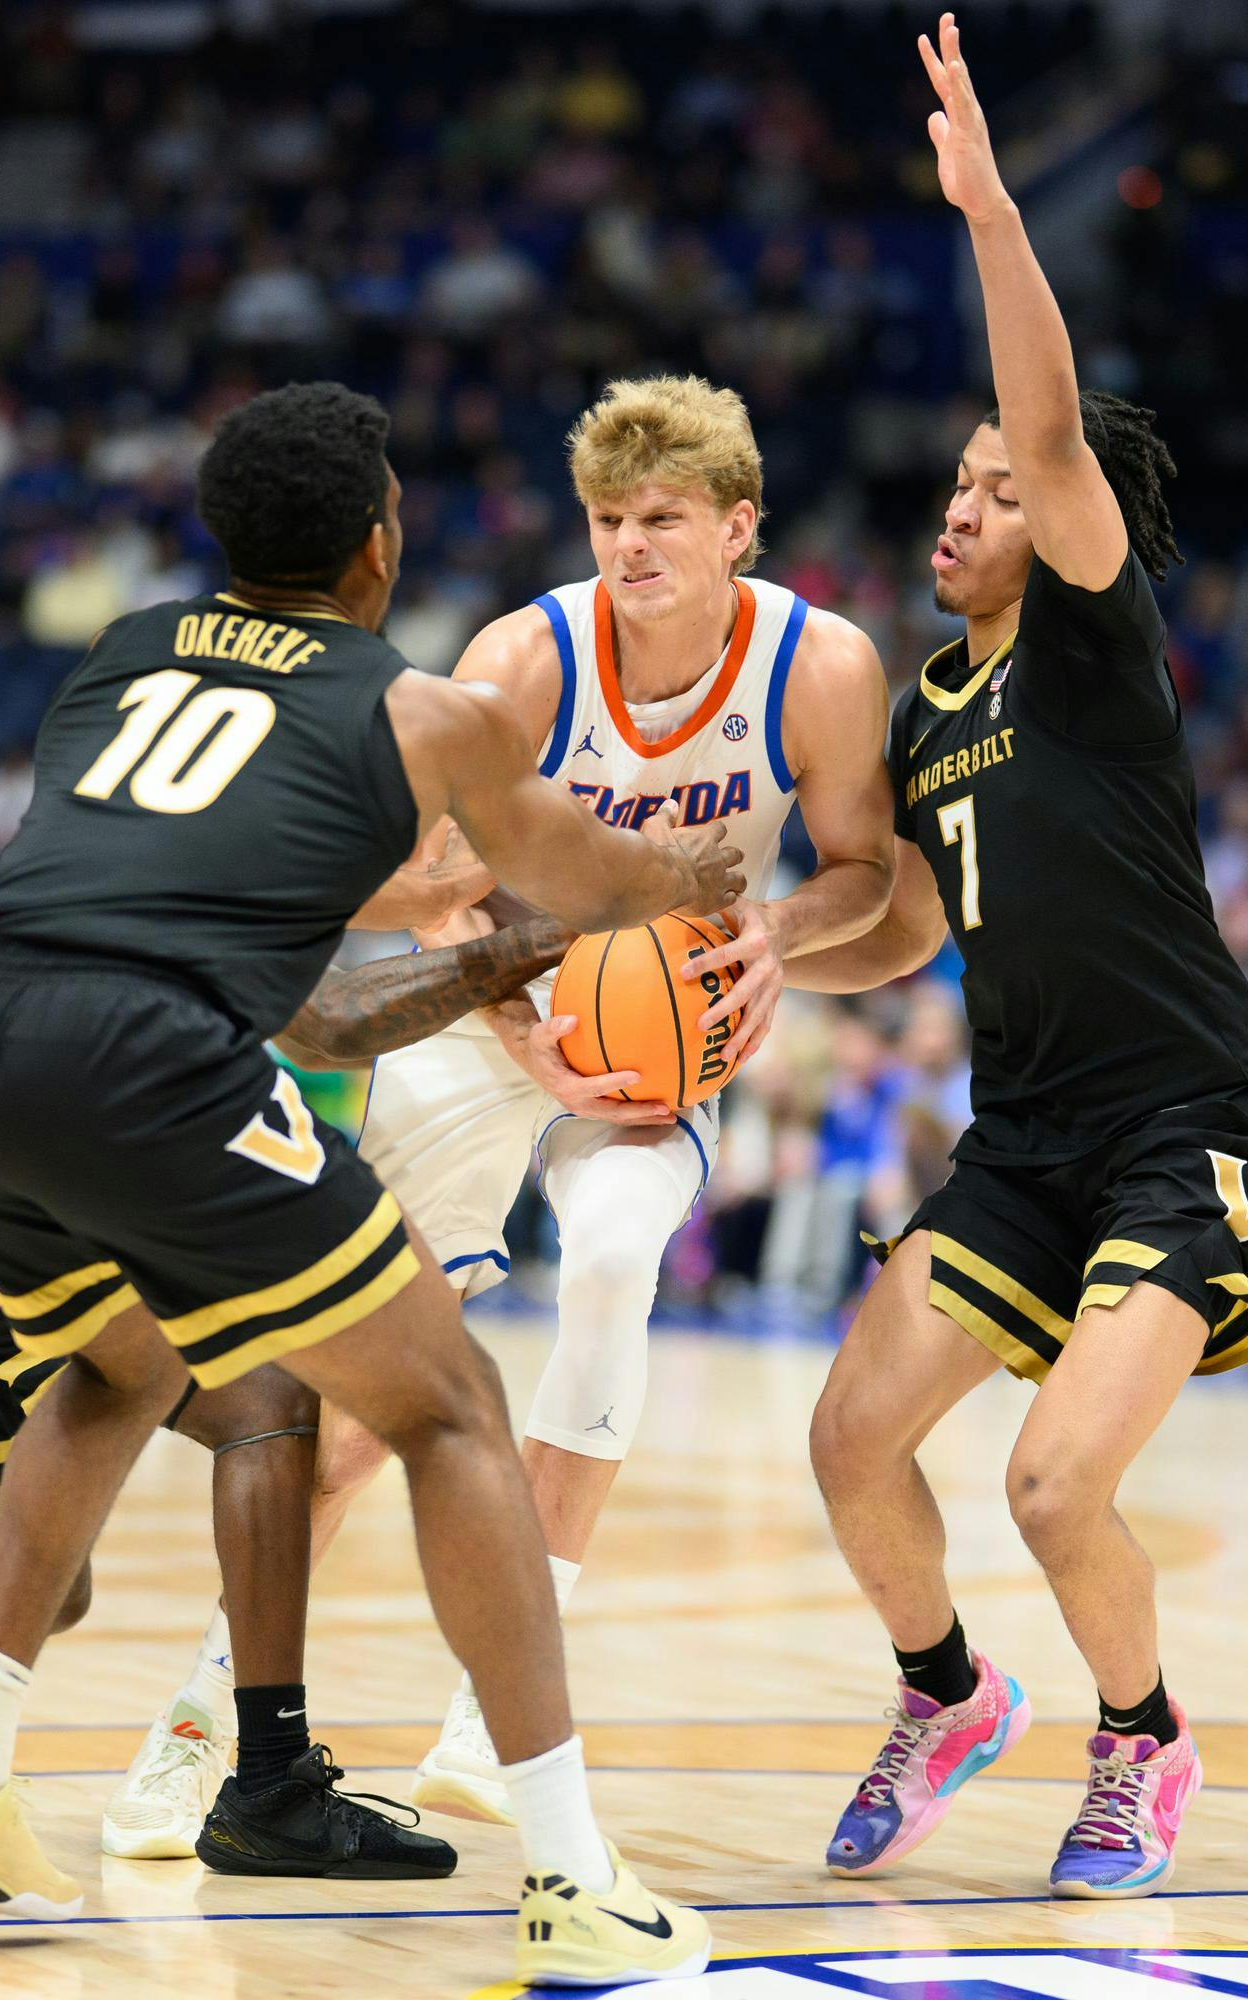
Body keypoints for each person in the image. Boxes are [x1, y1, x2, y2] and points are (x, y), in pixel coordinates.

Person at [0, 381, 742, 1990]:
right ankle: (566, 1870)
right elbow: (581, 871)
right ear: (377, 547)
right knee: (454, 1411)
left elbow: (295, 986)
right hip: (136, 1061)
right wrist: (677, 882)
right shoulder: (422, 712)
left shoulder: (117, 657)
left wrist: (517, 940)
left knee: (114, 1367)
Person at [781, 14, 1248, 1901]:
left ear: (1065, 518)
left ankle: (1142, 1740)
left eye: (993, 485)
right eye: (954, 482)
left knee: (1049, 1482)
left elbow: (1061, 422)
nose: (962, 501)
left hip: (1196, 1116)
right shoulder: (924, 711)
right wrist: (776, 947)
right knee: (849, 1440)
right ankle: (947, 1694)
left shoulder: (1095, 642)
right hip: (1030, 1129)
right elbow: (907, 927)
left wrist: (996, 213)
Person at [328, 371, 895, 1824]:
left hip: (664, 1027)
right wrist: (517, 1015)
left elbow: (865, 870)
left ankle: (489, 1705)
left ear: (740, 529)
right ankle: (215, 1714)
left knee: (619, 1260)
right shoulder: (525, 659)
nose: (627, 546)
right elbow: (402, 886)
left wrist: (781, 935)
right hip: (480, 1007)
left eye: (661, 519)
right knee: (356, 1383)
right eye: (604, 519)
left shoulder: (821, 667)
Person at [0, 910, 573, 1877]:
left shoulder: (124, 863)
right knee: (268, 1406)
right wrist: (535, 939)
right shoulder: (220, 872)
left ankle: (30, 1775)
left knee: (23, 1588)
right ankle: (269, 1785)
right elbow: (333, 1018)